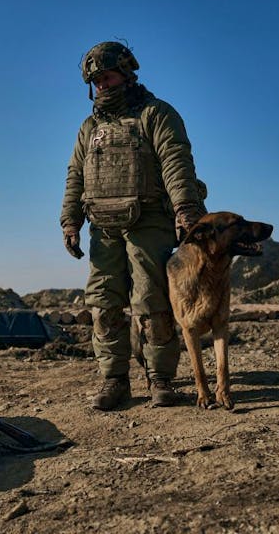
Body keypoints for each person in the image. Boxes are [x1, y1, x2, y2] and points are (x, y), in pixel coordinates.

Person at [60, 41, 207, 410]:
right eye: (95, 82)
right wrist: (70, 221)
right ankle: (114, 381)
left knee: (152, 302)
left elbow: (176, 161)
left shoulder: (156, 114)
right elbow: (76, 176)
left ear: (126, 73)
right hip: (103, 228)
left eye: (107, 77)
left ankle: (161, 380)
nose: (102, 87)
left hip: (149, 222)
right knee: (103, 305)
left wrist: (186, 208)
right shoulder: (89, 127)